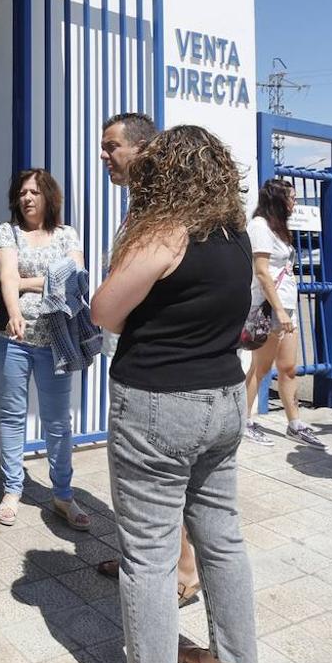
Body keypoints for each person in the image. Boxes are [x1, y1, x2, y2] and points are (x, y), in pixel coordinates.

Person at [88, 125, 257, 663]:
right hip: (225, 401)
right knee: (223, 539)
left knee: (149, 559)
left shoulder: (165, 233)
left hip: (159, 407)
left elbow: (104, 312)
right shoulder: (234, 235)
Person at [92, 112, 201, 608]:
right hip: (137, 352)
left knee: (157, 481)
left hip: (161, 373)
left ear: (142, 149)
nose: (104, 155)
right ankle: (142, 556)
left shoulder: (164, 212)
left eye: (112, 146)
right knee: (135, 484)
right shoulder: (142, 205)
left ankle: (182, 570)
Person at [0, 168, 90, 530]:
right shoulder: (8, 231)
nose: (27, 198)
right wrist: (15, 308)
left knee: (58, 422)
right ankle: (12, 489)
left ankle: (63, 494)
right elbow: (5, 278)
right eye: (21, 192)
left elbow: (76, 279)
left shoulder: (66, 234)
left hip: (55, 341)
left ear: (49, 196)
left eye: (34, 191)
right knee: (13, 416)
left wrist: (24, 282)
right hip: (12, 340)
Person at [242, 179, 327, 448]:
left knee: (288, 368)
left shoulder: (279, 229)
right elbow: (262, 271)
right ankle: (243, 421)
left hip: (285, 305)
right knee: (261, 366)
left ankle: (294, 423)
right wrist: (279, 310)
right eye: (292, 197)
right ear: (277, 199)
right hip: (270, 307)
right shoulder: (259, 226)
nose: (296, 203)